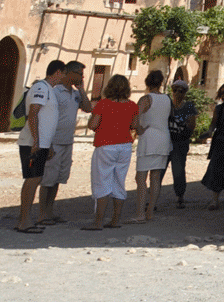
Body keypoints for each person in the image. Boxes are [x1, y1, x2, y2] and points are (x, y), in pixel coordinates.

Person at [36, 60, 93, 224]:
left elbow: (88, 108)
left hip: (68, 141)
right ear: (70, 73)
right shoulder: (55, 92)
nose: (82, 77)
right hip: (54, 141)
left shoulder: (75, 94)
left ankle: (50, 211)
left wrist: (81, 89)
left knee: (58, 178)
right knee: (48, 178)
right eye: (80, 74)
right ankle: (42, 213)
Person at [14, 60, 65, 234]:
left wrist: (46, 144)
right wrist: (36, 141)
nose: (64, 77)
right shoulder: (41, 88)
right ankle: (24, 221)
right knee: (32, 179)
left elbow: (46, 120)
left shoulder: (49, 90)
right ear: (57, 72)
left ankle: (26, 219)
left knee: (36, 178)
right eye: (63, 73)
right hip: (33, 144)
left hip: (40, 143)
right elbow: (34, 113)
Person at [83, 74, 138, 230]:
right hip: (125, 146)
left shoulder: (103, 104)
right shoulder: (132, 105)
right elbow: (134, 125)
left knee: (102, 182)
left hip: (105, 146)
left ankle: (98, 221)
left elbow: (93, 125)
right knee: (119, 182)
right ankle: (115, 219)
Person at [131, 70, 171, 221]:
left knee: (141, 177)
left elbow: (135, 118)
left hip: (149, 138)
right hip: (163, 138)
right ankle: (150, 212)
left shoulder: (146, 99)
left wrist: (138, 129)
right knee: (155, 177)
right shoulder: (167, 98)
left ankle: (140, 212)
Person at [165, 78, 197, 208]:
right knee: (159, 170)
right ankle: (153, 197)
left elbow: (191, 125)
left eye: (181, 90)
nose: (177, 93)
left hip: (180, 143)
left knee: (178, 170)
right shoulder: (167, 105)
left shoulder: (189, 106)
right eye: (175, 90)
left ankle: (180, 196)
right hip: (166, 142)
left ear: (185, 92)